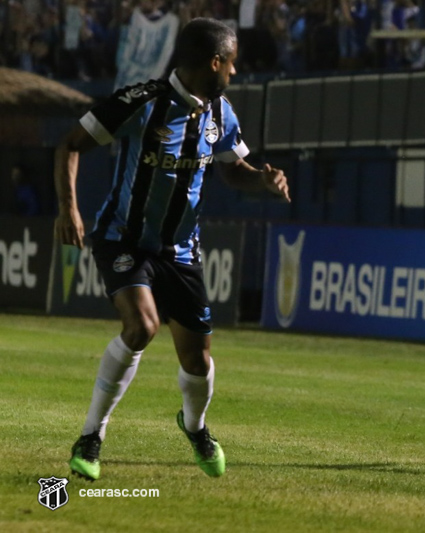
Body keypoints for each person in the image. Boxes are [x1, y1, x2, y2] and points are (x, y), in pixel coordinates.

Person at [54, 17, 291, 481]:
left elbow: (232, 168)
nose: (235, 74)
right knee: (141, 326)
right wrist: (69, 210)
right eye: (233, 65)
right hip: (123, 238)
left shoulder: (221, 112)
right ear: (214, 62)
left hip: (181, 251)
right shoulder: (140, 103)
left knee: (197, 361)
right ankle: (91, 437)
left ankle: (195, 426)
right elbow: (70, 145)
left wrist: (261, 180)